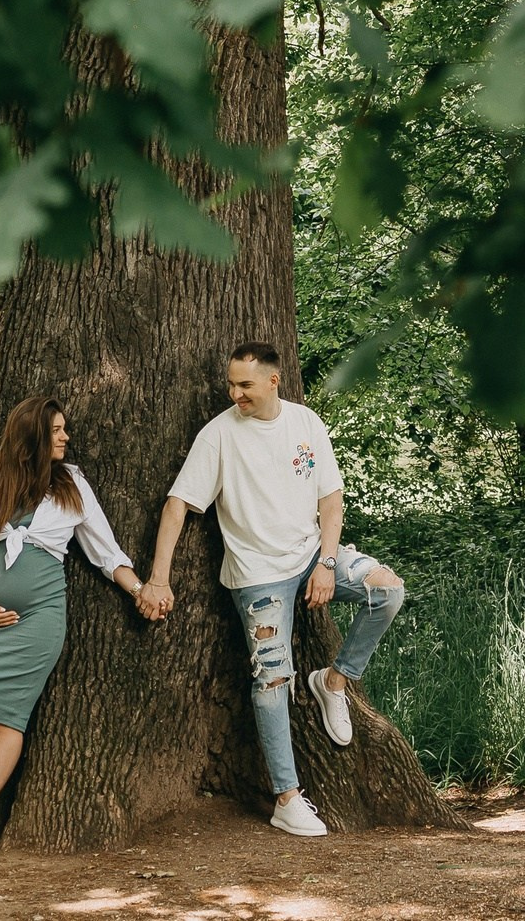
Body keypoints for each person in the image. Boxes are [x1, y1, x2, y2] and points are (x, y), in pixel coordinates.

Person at [137, 341, 407, 837]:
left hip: (312, 554)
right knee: (272, 679)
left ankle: (334, 682)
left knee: (387, 590)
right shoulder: (218, 435)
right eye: (231, 385)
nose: (234, 394)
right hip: (258, 574)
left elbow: (331, 499)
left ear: (273, 381)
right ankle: (287, 798)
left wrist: (327, 564)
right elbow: (177, 505)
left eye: (244, 385)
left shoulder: (306, 423)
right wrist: (158, 578)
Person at [0, 394, 144, 859]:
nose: (66, 437)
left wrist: (140, 590)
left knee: (7, 716)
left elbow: (106, 552)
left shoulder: (72, 485)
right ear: (32, 437)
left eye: (64, 429)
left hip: (38, 620)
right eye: (57, 430)